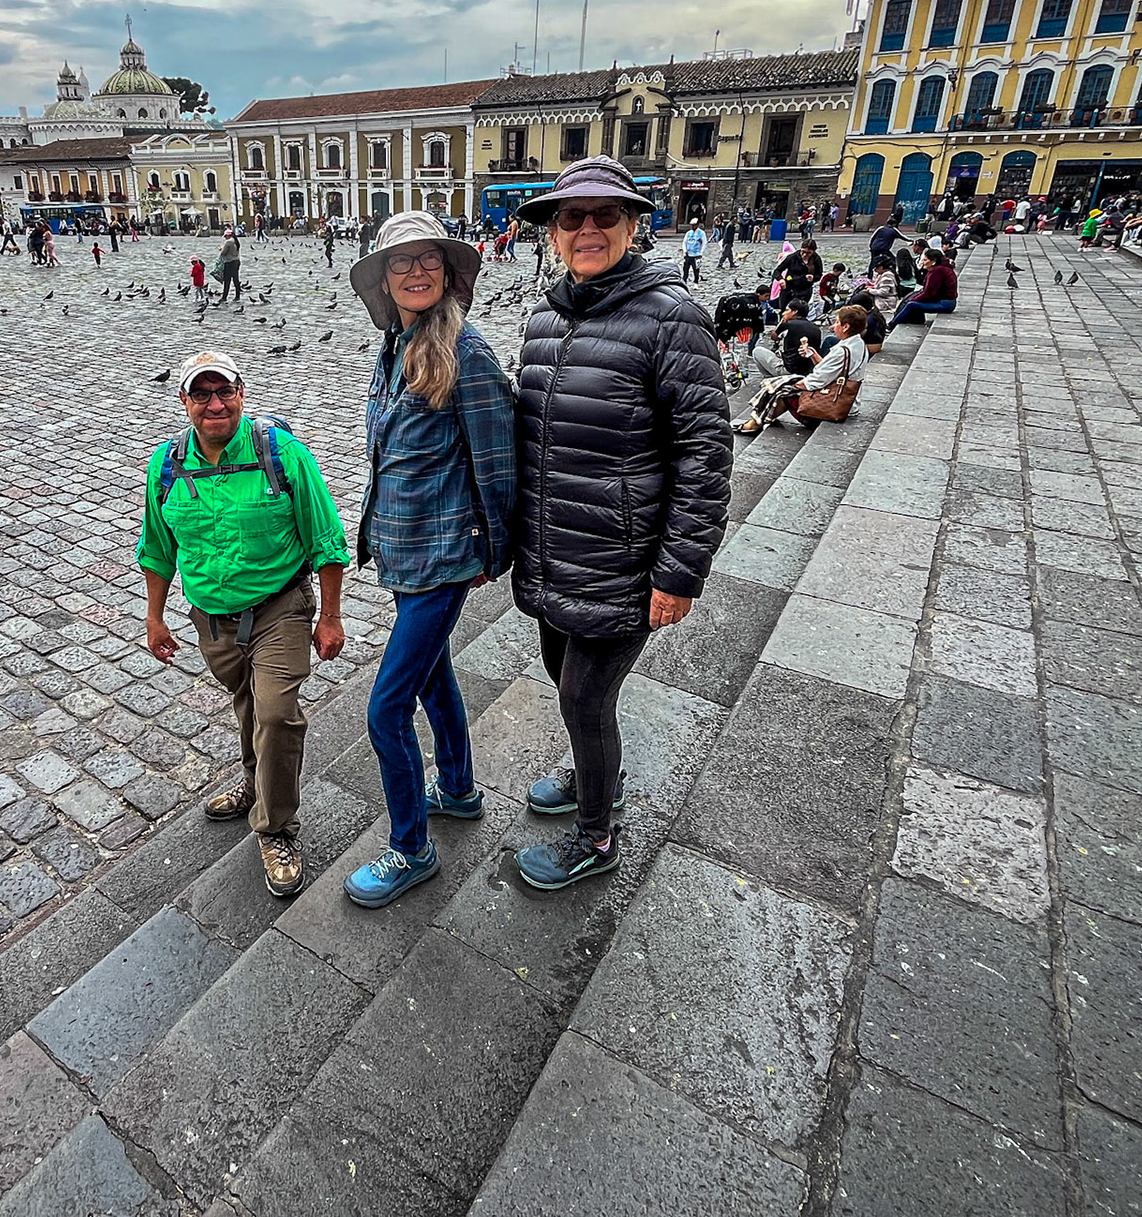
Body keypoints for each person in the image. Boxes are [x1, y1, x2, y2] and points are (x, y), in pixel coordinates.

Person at [510, 157, 731, 890]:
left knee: (583, 696)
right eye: (572, 217)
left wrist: (679, 571)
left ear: (635, 225)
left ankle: (595, 837)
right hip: (554, 551)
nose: (588, 229)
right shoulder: (545, 317)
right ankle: (593, 773)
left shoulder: (672, 317)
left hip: (623, 559)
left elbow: (705, 451)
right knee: (563, 681)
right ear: (552, 233)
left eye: (606, 215)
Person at [340, 213, 517, 906]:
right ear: (385, 280)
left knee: (385, 709)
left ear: (446, 273)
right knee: (432, 674)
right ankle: (461, 790)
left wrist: (490, 551)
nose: (415, 272)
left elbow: (498, 463)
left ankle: (411, 847)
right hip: (404, 551)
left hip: (445, 557)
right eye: (400, 262)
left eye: (427, 261)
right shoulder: (397, 346)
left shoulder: (465, 353)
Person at [138, 352, 350, 898]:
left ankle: (276, 827)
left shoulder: (281, 453)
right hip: (212, 620)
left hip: (280, 607)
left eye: (223, 391)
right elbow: (158, 550)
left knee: (276, 714)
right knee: (252, 705)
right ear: (184, 403)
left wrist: (330, 616)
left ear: (242, 393)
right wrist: (155, 617)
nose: (215, 404)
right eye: (201, 394)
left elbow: (326, 537)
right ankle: (259, 783)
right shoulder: (165, 466)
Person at [736, 305, 870, 434]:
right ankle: (759, 420)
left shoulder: (842, 351)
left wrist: (790, 383)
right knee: (783, 386)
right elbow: (832, 370)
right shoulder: (858, 344)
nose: (833, 326)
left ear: (846, 327)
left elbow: (815, 381)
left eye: (837, 323)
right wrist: (813, 355)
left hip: (833, 406)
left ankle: (755, 423)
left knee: (783, 391)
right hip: (847, 401)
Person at [889, 247, 958, 325]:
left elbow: (929, 293)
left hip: (945, 303)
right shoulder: (942, 268)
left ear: (933, 262)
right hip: (945, 300)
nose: (923, 262)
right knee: (910, 298)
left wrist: (913, 300)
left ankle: (892, 324)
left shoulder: (937, 271)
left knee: (911, 304)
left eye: (925, 260)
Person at [217, 227, 244, 304]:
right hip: (236, 261)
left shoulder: (228, 242)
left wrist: (221, 248)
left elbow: (223, 253)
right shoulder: (236, 241)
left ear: (228, 236)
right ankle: (237, 296)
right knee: (236, 280)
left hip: (229, 262)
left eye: (225, 236)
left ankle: (224, 297)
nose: (225, 238)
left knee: (227, 281)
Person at [680, 218, 707, 284]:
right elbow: (684, 242)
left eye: (694, 225)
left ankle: (696, 282)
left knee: (696, 269)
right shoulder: (688, 233)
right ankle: (684, 280)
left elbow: (704, 243)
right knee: (685, 269)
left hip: (697, 254)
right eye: (691, 225)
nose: (692, 227)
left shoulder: (701, 233)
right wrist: (685, 251)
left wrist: (701, 252)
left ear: (697, 225)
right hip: (688, 254)